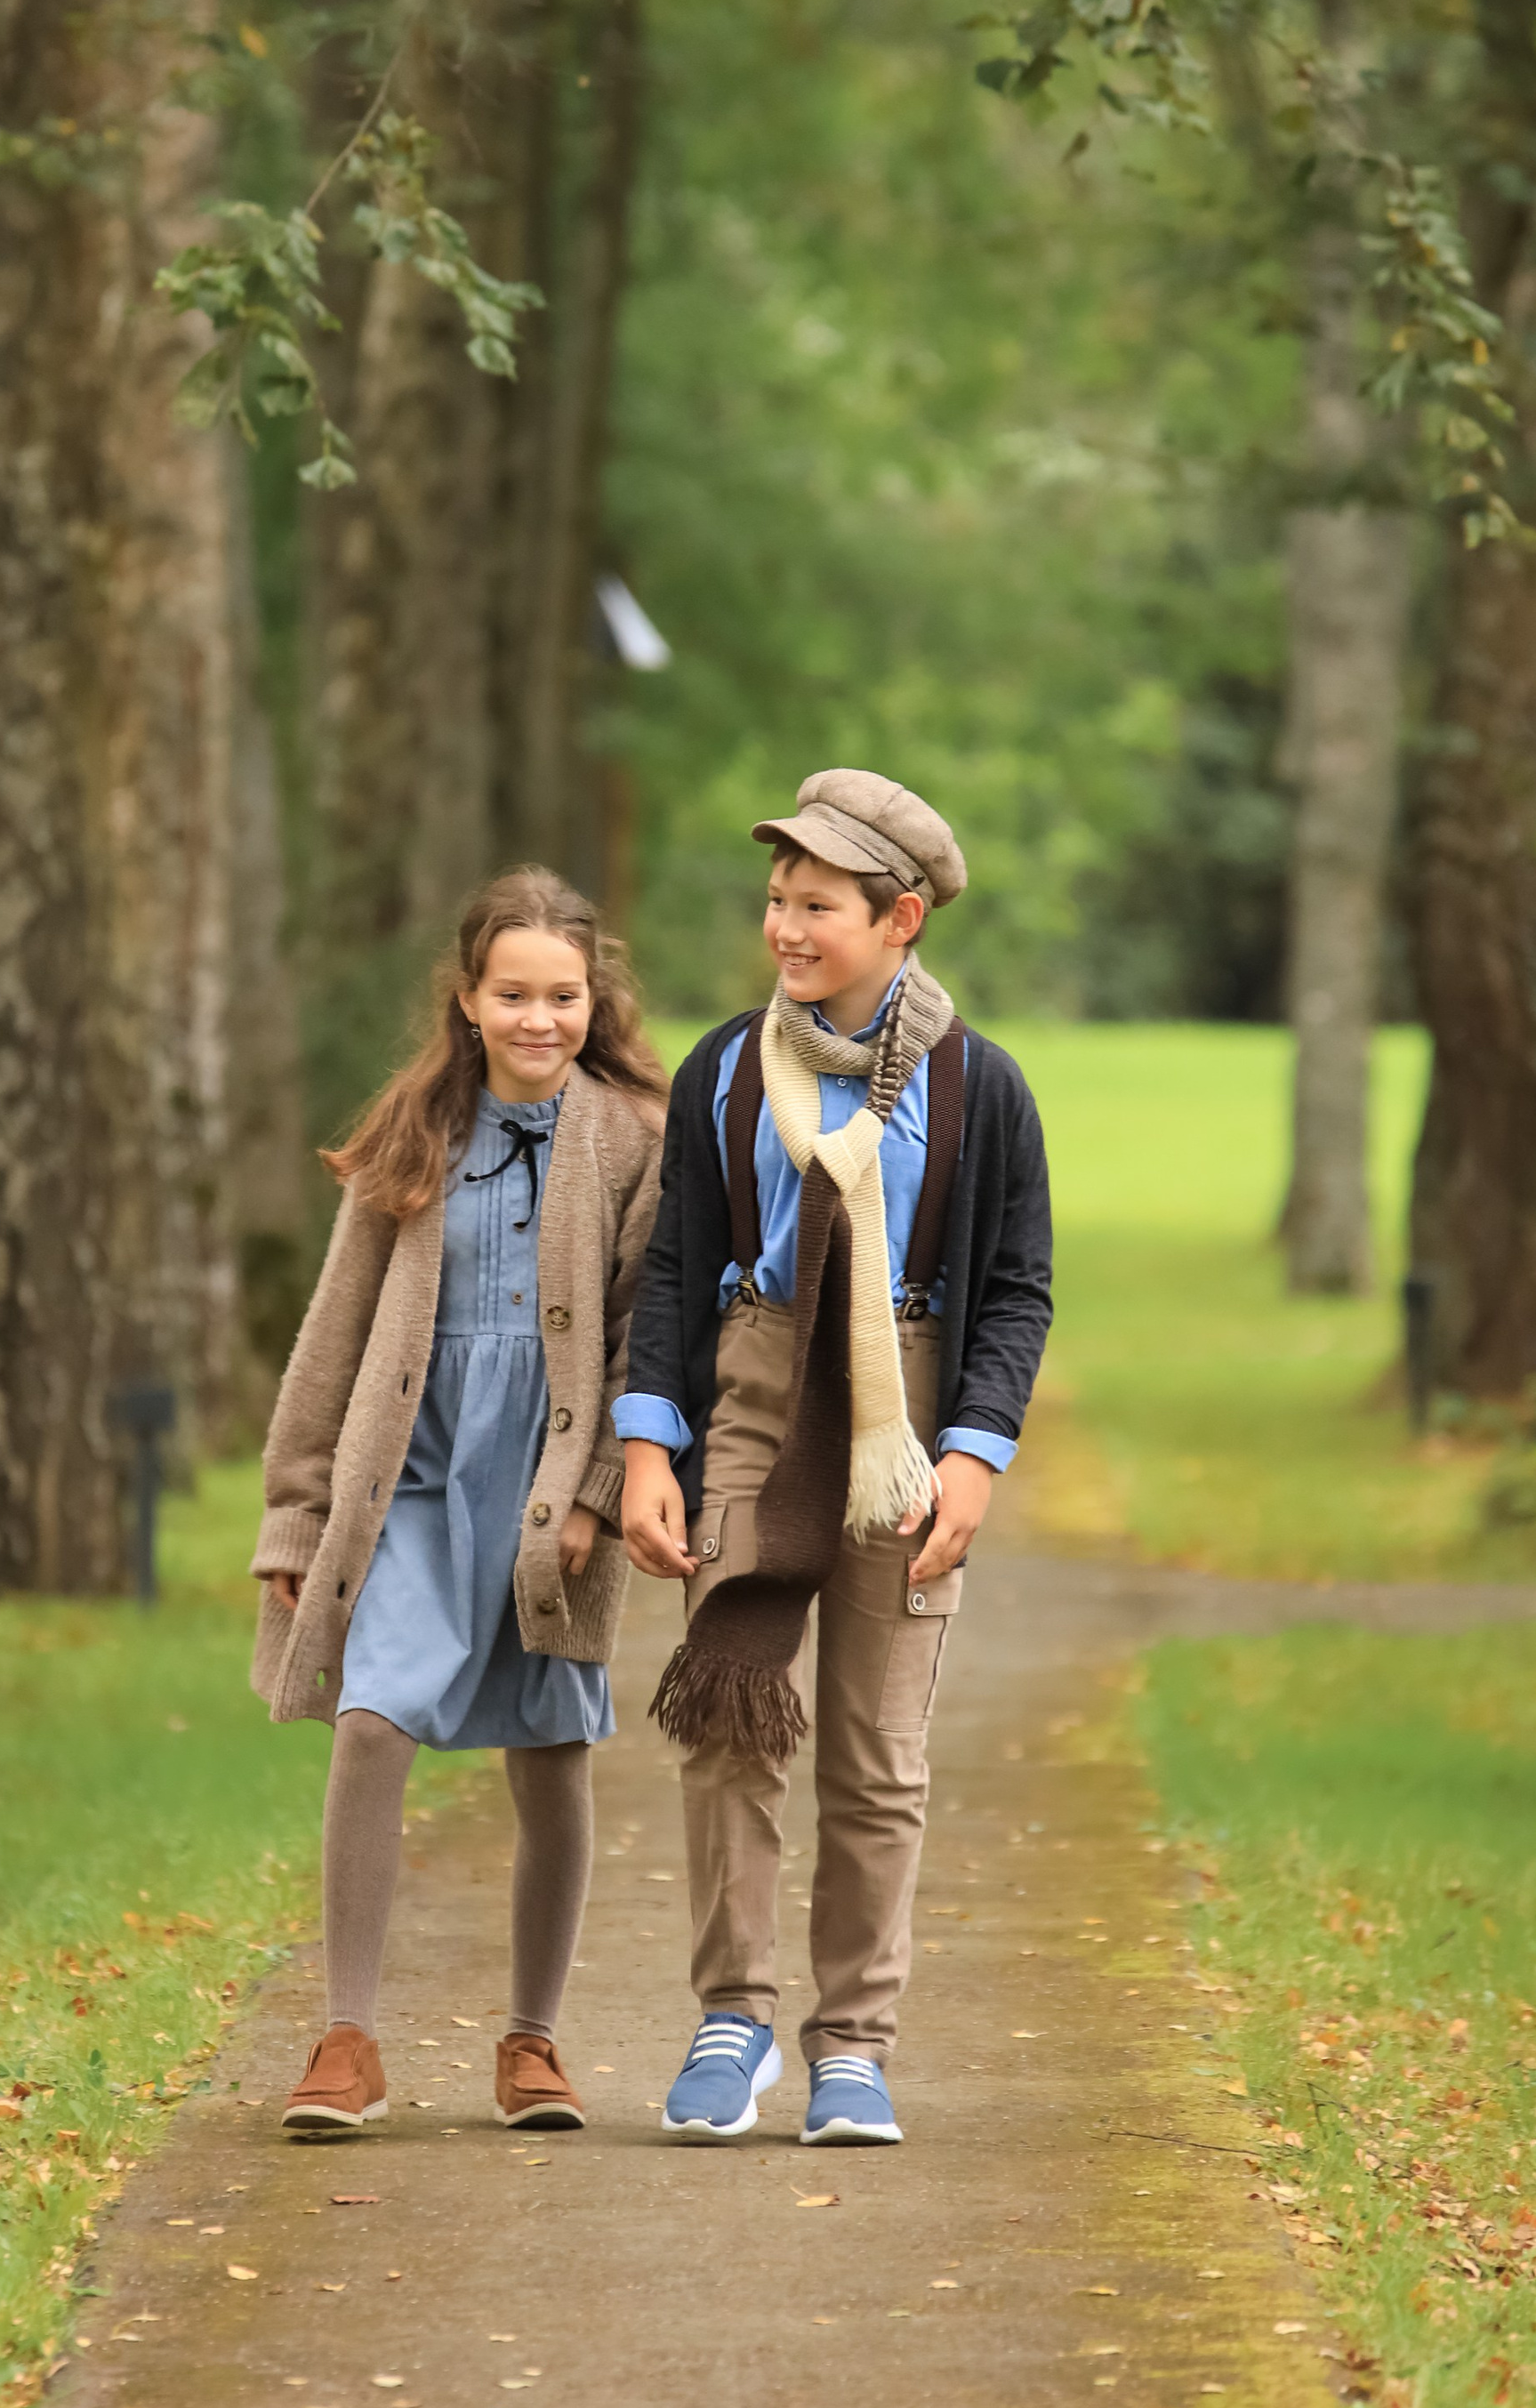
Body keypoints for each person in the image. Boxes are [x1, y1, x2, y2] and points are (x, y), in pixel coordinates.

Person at [616, 769, 1052, 2147]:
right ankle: (732, 2017)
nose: (786, 929)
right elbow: (675, 1266)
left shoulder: (980, 1086)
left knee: (876, 1754)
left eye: (818, 906)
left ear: (900, 920)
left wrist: (975, 1455)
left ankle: (854, 2044)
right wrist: (649, 1446)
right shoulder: (725, 1070)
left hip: (901, 1425)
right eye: (777, 900)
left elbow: (1017, 1289)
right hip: (751, 1394)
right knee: (729, 1724)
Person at [251, 867, 668, 2138]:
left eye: (564, 995)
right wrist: (297, 1513)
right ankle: (347, 2038)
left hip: (550, 1492)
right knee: (373, 1721)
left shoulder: (634, 1139)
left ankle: (532, 2041)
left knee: (550, 1750)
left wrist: (599, 1492)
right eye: (514, 994)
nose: (540, 1018)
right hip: (416, 1484)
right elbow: (333, 1332)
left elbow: (646, 1335)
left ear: (594, 1000)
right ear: (469, 1000)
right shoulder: (416, 1131)